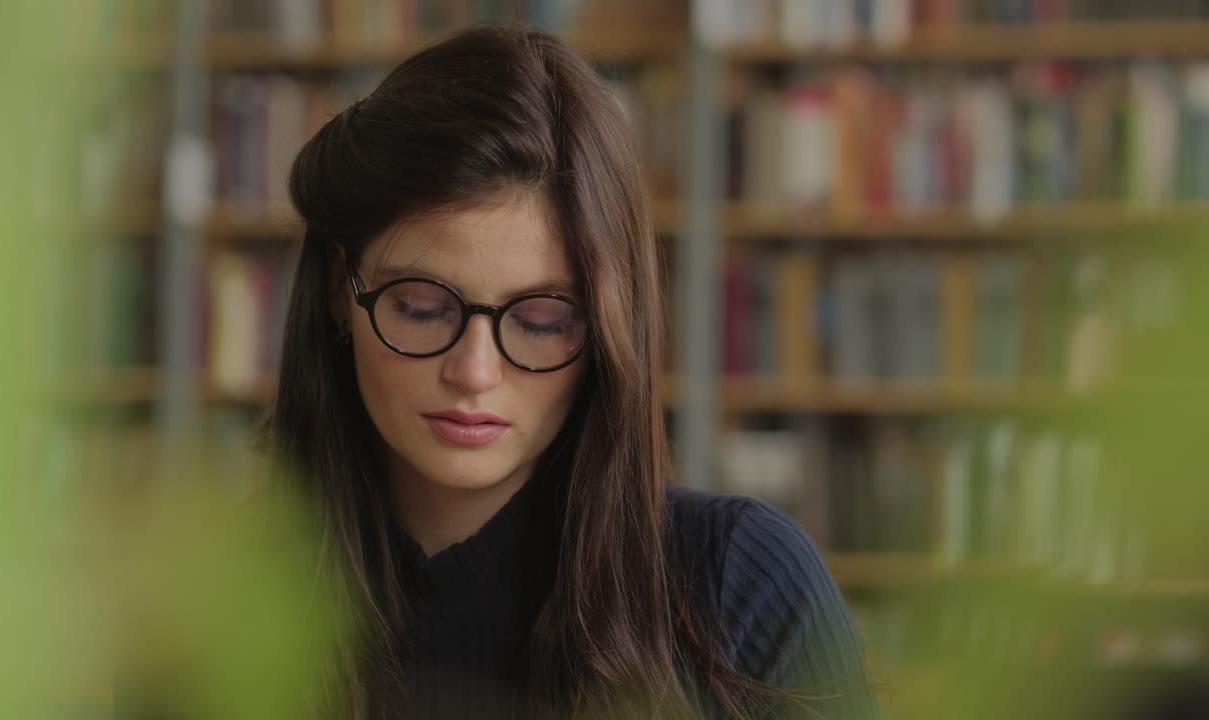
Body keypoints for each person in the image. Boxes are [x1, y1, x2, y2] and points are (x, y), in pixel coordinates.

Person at [265, 23, 880, 720]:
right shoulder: (206, 606)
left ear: (607, 331)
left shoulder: (742, 584)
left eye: (542, 321)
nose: (474, 370)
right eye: (420, 306)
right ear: (339, 294)